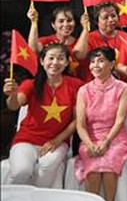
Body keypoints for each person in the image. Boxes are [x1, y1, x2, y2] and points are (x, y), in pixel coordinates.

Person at [3, 43, 83, 187]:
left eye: (60, 59)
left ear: (66, 63)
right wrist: (12, 94)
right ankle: (10, 200)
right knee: (22, 171)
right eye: (51, 58)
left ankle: (38, 200)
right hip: (26, 139)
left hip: (58, 142)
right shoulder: (30, 84)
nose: (55, 63)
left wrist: (56, 141)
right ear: (42, 61)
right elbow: (14, 105)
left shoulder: (76, 85)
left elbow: (77, 120)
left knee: (47, 165)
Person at [74, 47, 127, 201]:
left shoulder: (122, 87)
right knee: (92, 166)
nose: (95, 65)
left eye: (100, 60)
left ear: (112, 64)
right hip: (90, 137)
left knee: (108, 164)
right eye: (92, 61)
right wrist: (89, 143)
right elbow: (80, 124)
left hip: (115, 137)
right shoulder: (83, 90)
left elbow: (120, 120)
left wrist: (106, 141)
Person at [27, 5, 90, 80]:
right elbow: (33, 49)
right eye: (61, 21)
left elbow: (80, 55)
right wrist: (34, 22)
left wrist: (85, 28)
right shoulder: (45, 41)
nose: (66, 24)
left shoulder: (80, 43)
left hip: (74, 86)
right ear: (53, 25)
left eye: (69, 20)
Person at [73, 1, 127, 81]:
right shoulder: (89, 38)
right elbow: (79, 56)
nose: (111, 20)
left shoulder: (126, 37)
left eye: (113, 16)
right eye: (105, 17)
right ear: (97, 21)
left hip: (123, 84)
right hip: (95, 85)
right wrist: (85, 30)